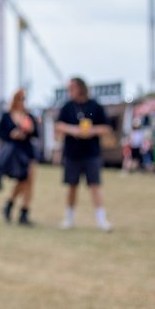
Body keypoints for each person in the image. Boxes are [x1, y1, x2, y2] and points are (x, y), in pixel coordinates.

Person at [56, 77, 112, 231]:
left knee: (94, 186)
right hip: (72, 153)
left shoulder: (95, 106)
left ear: (80, 88)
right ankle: (69, 218)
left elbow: (106, 128)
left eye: (72, 88)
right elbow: (59, 125)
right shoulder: (67, 107)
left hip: (91, 153)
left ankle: (102, 220)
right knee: (72, 186)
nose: (69, 91)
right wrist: (73, 130)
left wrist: (91, 131)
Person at [0, 89, 39, 225]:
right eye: (20, 98)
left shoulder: (28, 116)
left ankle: (23, 211)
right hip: (14, 152)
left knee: (29, 180)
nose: (22, 102)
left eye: (24, 99)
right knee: (22, 180)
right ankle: (10, 203)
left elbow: (36, 133)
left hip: (27, 150)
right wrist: (12, 135)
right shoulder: (7, 116)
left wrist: (30, 130)